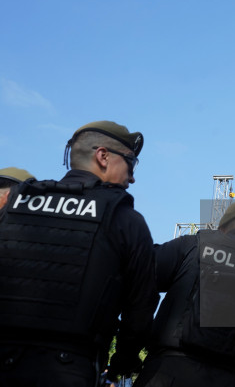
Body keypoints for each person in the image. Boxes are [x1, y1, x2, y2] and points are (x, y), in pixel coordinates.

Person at [0, 121, 157, 387]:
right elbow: (139, 313)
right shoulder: (126, 220)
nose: (132, 177)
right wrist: (120, 365)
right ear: (103, 156)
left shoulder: (16, 203)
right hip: (69, 370)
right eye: (131, 163)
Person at [134, 200, 235, 387]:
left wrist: (127, 354)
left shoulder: (192, 245)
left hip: (167, 370)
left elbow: (138, 281)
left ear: (221, 228)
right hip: (231, 378)